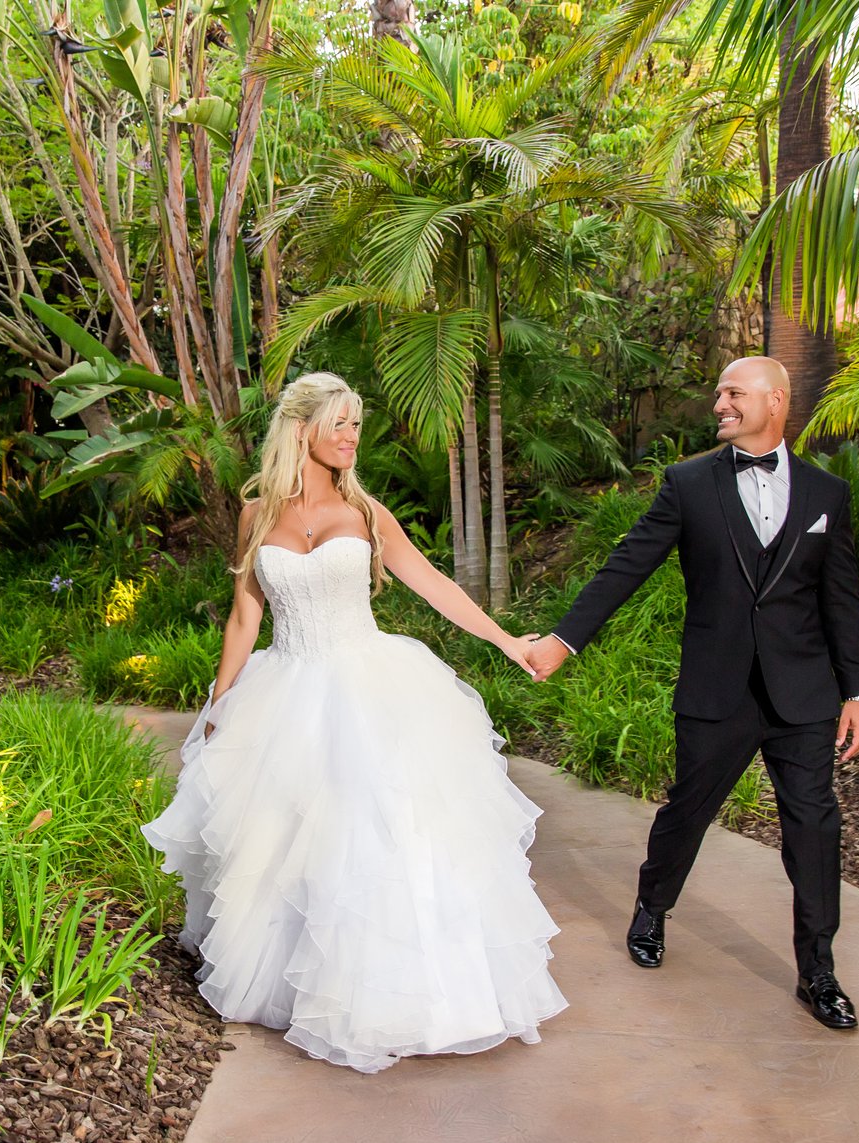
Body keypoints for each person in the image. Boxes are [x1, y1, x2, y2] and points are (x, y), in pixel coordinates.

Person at [141, 372, 568, 1074]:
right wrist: (220, 703)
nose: (351, 436)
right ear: (301, 427)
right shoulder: (256, 515)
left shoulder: (366, 512)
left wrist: (507, 641)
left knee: (381, 838)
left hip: (372, 689)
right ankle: (296, 986)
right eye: (339, 423)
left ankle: (406, 999)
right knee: (287, 842)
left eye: (356, 425)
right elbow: (246, 614)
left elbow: (434, 584)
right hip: (284, 693)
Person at [527, 356, 859, 1029]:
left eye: (733, 393)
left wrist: (857, 691)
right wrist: (564, 641)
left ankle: (819, 972)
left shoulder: (827, 494)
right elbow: (627, 565)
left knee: (814, 828)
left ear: (775, 401)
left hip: (803, 693)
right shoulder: (688, 485)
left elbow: (842, 600)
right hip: (718, 688)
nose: (719, 403)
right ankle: (653, 906)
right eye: (718, 392)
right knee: (688, 811)